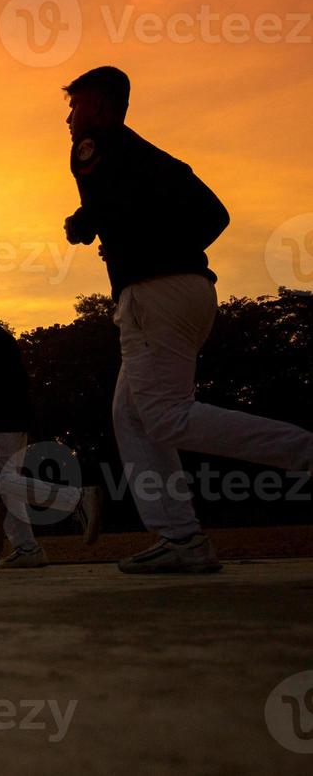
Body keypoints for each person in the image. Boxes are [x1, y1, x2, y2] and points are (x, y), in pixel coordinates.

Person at [61, 66, 313, 573]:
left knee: (166, 416)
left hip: (153, 296)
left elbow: (107, 204)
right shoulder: (157, 159)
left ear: (102, 108)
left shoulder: (93, 147)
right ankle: (180, 537)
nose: (69, 117)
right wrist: (165, 243)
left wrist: (88, 223)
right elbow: (215, 215)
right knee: (131, 415)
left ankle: (304, 451)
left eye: (77, 105)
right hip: (191, 292)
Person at [0, 280, 102, 569]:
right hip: (15, 417)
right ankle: (26, 547)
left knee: (3, 484)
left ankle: (75, 500)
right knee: (8, 487)